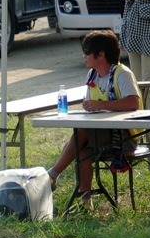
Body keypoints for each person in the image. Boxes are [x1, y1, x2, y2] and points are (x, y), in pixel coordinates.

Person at [46, 30, 141, 199]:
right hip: (101, 132)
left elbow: (134, 103)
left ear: (101, 55)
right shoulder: (93, 75)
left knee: (81, 131)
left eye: (87, 53)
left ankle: (53, 174)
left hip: (123, 137)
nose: (84, 57)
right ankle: (85, 200)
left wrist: (101, 105)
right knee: (82, 153)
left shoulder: (122, 74)